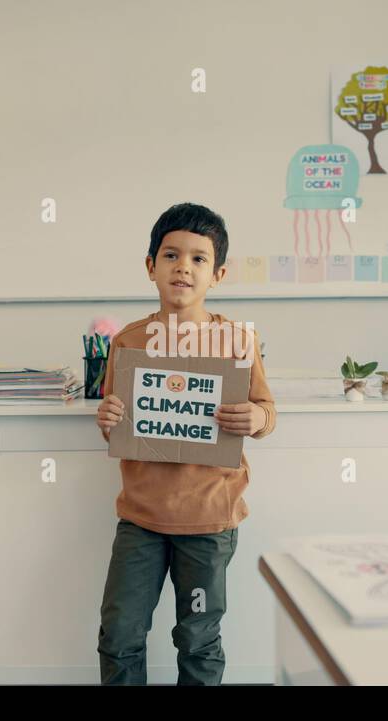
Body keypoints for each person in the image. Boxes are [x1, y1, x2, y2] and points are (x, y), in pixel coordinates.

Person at [94, 202, 276, 685]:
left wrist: (256, 415)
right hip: (140, 519)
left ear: (217, 274)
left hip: (209, 521)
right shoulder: (128, 342)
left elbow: (266, 412)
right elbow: (118, 422)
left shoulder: (237, 340)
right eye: (171, 255)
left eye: (198, 259)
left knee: (198, 636)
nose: (183, 267)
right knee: (119, 633)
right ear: (151, 266)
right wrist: (107, 416)